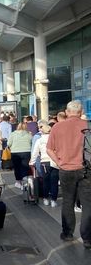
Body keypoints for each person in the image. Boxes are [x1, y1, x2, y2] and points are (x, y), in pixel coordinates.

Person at [46, 100, 91, 248]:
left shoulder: (57, 127)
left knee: (68, 202)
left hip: (66, 169)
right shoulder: (88, 126)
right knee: (87, 204)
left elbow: (49, 149)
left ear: (66, 112)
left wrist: (59, 163)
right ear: (81, 111)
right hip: (86, 169)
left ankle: (67, 233)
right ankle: (87, 238)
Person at [30, 121, 59, 207]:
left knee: (46, 181)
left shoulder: (39, 140)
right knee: (54, 182)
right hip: (55, 161)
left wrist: (32, 162)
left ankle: (46, 198)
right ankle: (54, 200)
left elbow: (35, 152)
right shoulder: (55, 139)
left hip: (44, 162)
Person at [8, 122, 33, 188]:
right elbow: (31, 142)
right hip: (27, 151)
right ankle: (26, 181)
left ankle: (18, 181)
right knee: (25, 167)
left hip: (15, 152)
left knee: (17, 167)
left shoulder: (13, 134)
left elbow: (9, 143)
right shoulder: (29, 134)